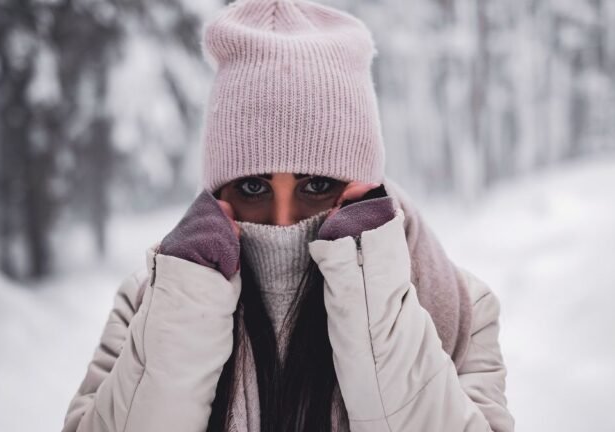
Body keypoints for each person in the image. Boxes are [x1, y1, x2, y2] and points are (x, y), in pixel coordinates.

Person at [61, 0, 514, 431]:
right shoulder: (151, 301)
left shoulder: (459, 306)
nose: (281, 222)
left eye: (316, 185)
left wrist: (372, 293)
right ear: (218, 192)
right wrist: (185, 310)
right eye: (253, 187)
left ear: (363, 186)